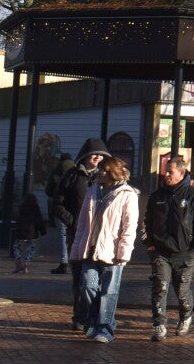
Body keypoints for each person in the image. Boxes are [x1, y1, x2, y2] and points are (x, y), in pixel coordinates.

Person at [70, 155, 141, 342]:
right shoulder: (92, 190)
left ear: (112, 172)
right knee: (87, 285)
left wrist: (123, 253)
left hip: (112, 251)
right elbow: (82, 223)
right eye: (99, 169)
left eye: (103, 170)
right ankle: (95, 321)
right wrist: (76, 248)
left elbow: (129, 226)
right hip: (90, 248)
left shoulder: (127, 194)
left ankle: (105, 328)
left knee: (109, 291)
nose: (99, 172)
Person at [145, 152, 194, 341]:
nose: (166, 175)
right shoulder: (157, 196)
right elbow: (146, 222)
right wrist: (150, 244)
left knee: (181, 290)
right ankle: (159, 324)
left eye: (170, 172)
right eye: (165, 171)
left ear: (181, 173)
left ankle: (185, 316)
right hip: (160, 251)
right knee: (160, 287)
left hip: (184, 252)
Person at [52, 138, 108, 304]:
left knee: (97, 275)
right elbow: (57, 202)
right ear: (86, 155)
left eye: (101, 155)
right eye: (94, 154)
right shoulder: (73, 175)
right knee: (78, 273)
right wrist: (71, 221)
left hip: (100, 234)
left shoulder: (105, 176)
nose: (98, 157)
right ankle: (79, 311)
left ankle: (93, 311)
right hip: (78, 232)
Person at [43, 149, 76, 271]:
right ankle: (75, 259)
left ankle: (64, 261)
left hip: (60, 207)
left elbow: (48, 190)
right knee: (75, 234)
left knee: (62, 235)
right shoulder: (76, 170)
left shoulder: (56, 170)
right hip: (74, 208)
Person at [10, 190, 47, 273]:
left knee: (16, 247)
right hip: (32, 233)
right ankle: (26, 263)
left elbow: (17, 219)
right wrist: (43, 231)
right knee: (31, 249)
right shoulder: (35, 208)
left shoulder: (21, 207)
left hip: (21, 232)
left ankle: (19, 261)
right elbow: (39, 220)